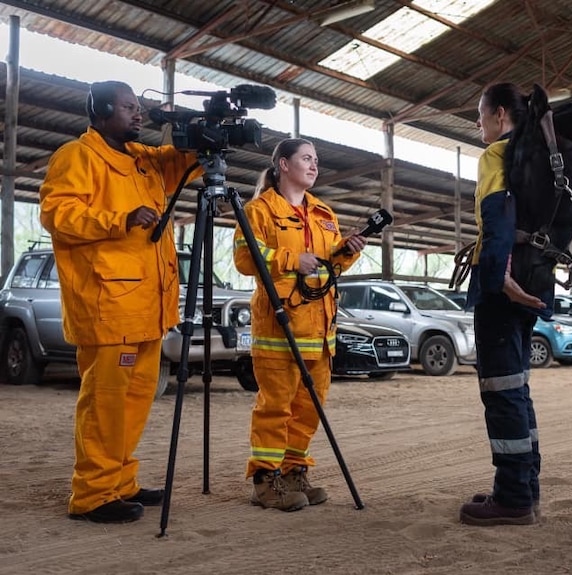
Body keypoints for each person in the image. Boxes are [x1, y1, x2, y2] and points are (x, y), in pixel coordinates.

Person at [39, 81, 203, 523]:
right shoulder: (78, 156)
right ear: (102, 109)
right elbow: (57, 214)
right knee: (106, 403)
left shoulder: (142, 159)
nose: (139, 115)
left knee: (134, 401)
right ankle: (92, 495)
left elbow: (186, 165)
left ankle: (120, 482)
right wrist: (120, 219)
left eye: (139, 108)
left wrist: (197, 127)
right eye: (130, 108)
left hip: (147, 308)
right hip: (109, 306)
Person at [233, 138, 367, 511]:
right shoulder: (259, 210)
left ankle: (293, 472)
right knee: (275, 407)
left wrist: (346, 254)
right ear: (283, 165)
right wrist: (292, 259)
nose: (314, 165)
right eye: (306, 158)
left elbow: (328, 269)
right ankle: (265, 480)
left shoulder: (324, 213)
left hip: (320, 333)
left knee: (309, 409)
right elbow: (245, 258)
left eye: (316, 160)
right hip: (280, 330)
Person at [458, 83, 550, 527]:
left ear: (498, 114)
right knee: (518, 387)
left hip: (505, 285)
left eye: (480, 115)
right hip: (536, 279)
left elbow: (498, 217)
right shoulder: (531, 155)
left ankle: (512, 497)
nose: (478, 124)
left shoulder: (496, 154)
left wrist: (501, 280)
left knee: (501, 389)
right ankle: (525, 486)